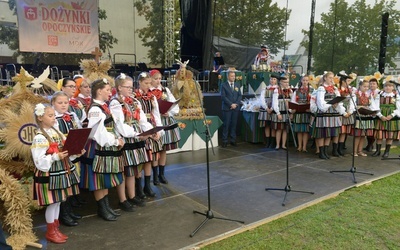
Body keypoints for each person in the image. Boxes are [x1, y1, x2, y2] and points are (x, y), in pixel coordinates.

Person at [31, 103, 83, 244]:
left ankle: (55, 228)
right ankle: (50, 231)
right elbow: (39, 161)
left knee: (58, 201)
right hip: (50, 173)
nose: (54, 118)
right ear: (40, 117)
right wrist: (55, 157)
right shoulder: (40, 137)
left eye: (54, 115)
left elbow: (65, 150)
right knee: (53, 202)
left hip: (60, 170)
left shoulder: (56, 131)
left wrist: (74, 151)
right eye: (50, 115)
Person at [84, 78, 125, 221]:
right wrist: (115, 140)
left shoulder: (103, 106)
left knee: (104, 178)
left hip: (106, 146)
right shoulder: (95, 109)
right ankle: (102, 208)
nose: (110, 92)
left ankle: (106, 207)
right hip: (99, 147)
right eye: (107, 90)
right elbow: (97, 133)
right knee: (99, 180)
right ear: (99, 91)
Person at [109, 73, 149, 211]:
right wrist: (137, 134)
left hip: (136, 137)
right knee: (124, 170)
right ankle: (122, 199)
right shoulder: (115, 103)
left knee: (133, 169)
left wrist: (149, 131)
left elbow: (142, 119)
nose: (131, 89)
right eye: (128, 87)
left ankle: (132, 196)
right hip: (126, 138)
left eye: (132, 87)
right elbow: (119, 124)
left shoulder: (134, 101)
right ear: (119, 87)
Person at [51, 91, 83, 227]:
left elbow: (78, 129)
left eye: (66, 102)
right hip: (61, 152)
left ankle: (69, 210)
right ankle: (63, 214)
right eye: (60, 103)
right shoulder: (54, 119)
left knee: (69, 183)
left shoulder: (71, 115)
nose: (64, 105)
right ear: (53, 103)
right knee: (63, 184)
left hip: (72, 151)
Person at [134, 72, 164, 198]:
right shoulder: (135, 97)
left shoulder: (152, 97)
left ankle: (147, 185)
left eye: (149, 83)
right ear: (139, 82)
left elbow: (156, 114)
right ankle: (139, 187)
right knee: (142, 159)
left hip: (152, 125)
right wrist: (150, 132)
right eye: (145, 83)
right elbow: (138, 117)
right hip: (142, 127)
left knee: (150, 158)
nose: (148, 86)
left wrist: (158, 130)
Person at [150, 69, 180, 185]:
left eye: (159, 78)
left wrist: (169, 112)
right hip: (155, 121)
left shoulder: (165, 90)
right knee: (155, 149)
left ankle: (161, 174)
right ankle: (155, 175)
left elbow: (174, 104)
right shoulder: (148, 92)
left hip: (165, 120)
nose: (158, 81)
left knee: (163, 149)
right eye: (155, 79)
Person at [311, 71, 346, 159]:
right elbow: (320, 104)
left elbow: (339, 101)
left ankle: (325, 151)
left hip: (333, 113)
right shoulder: (321, 88)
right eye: (330, 77)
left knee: (329, 133)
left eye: (332, 78)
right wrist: (331, 103)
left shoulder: (334, 88)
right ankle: (321, 152)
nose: (331, 79)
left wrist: (337, 105)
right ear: (325, 78)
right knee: (322, 133)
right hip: (324, 113)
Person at [371, 80, 400, 158]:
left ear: (393, 87)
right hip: (381, 116)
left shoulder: (396, 95)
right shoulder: (379, 95)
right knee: (379, 135)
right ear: (383, 87)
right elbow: (375, 106)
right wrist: (380, 115)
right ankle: (378, 151)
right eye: (386, 86)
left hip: (391, 117)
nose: (388, 87)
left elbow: (399, 107)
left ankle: (387, 152)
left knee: (389, 135)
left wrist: (392, 115)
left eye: (390, 86)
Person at [351, 79, 375, 156]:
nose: (366, 88)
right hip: (359, 115)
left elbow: (372, 105)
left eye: (367, 87)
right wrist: (360, 106)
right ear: (360, 86)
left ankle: (360, 151)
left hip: (367, 116)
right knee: (358, 135)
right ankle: (354, 151)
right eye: (364, 86)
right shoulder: (356, 94)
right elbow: (353, 106)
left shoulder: (369, 95)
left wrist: (371, 109)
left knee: (363, 135)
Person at [291, 75, 312, 152]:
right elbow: (293, 101)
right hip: (298, 112)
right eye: (304, 80)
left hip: (307, 112)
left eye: (306, 80)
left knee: (305, 130)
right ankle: (299, 146)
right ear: (301, 81)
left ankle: (304, 147)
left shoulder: (311, 90)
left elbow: (313, 101)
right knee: (299, 130)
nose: (305, 82)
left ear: (309, 81)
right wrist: (293, 110)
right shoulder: (297, 91)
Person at [221, 70, 242, 147]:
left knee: (234, 124)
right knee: (226, 124)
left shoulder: (237, 84)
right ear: (228, 76)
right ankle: (225, 140)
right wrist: (231, 104)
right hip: (227, 108)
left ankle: (233, 140)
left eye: (234, 76)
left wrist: (236, 104)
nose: (233, 77)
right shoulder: (224, 85)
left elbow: (239, 95)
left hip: (235, 108)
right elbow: (223, 96)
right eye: (232, 76)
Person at [271, 76, 292, 150]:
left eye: (287, 82)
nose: (286, 84)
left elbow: (291, 102)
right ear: (281, 83)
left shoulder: (290, 91)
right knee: (279, 129)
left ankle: (283, 144)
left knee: (285, 129)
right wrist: (278, 113)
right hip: (280, 112)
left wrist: (290, 112)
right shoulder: (277, 90)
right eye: (285, 82)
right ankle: (277, 144)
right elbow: (275, 103)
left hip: (286, 112)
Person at [337, 73, 356, 156]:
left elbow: (352, 101)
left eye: (349, 81)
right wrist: (343, 112)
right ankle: (336, 148)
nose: (348, 83)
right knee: (339, 131)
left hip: (348, 111)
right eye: (346, 81)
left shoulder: (351, 90)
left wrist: (350, 111)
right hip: (340, 112)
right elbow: (338, 102)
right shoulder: (337, 90)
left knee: (344, 132)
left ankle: (340, 148)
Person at [259, 74, 279, 148]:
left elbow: (276, 100)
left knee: (273, 125)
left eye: (274, 79)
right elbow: (262, 99)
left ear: (276, 80)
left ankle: (272, 142)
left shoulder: (278, 89)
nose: (272, 81)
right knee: (266, 125)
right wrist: (266, 108)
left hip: (273, 108)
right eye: (271, 79)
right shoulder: (265, 88)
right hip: (266, 109)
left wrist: (272, 108)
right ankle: (267, 141)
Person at [364, 78, 380, 152]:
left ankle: (370, 145)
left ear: (377, 85)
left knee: (374, 130)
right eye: (370, 84)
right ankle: (369, 144)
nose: (372, 85)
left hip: (376, 113)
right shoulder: (367, 92)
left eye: (374, 84)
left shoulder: (380, 92)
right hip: (368, 112)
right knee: (368, 130)